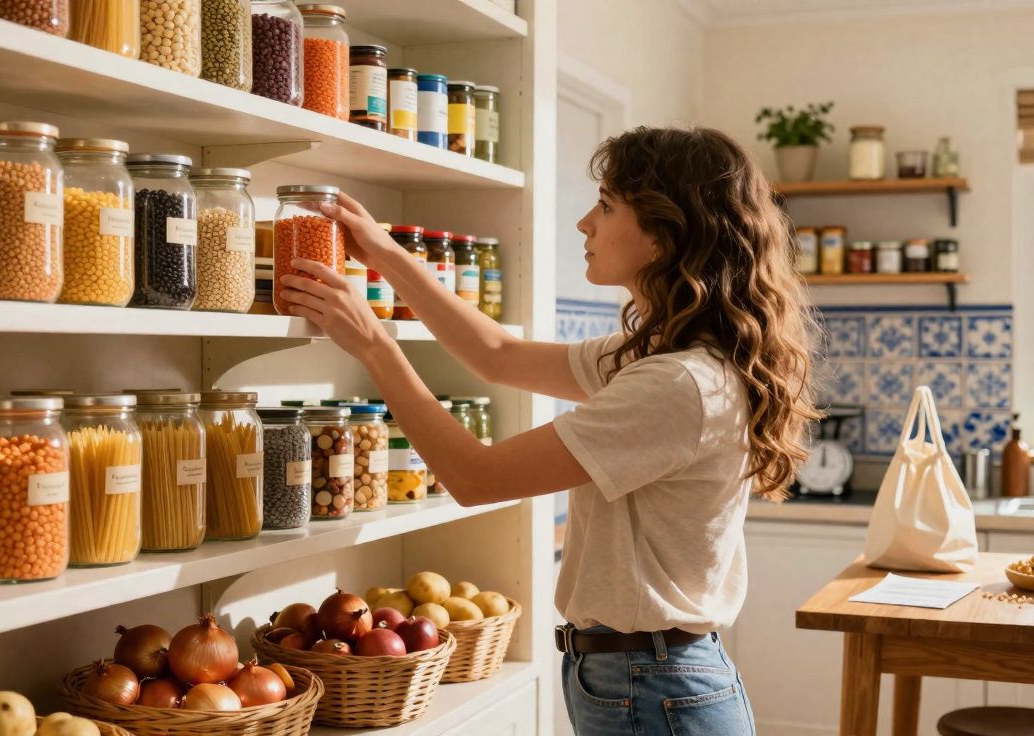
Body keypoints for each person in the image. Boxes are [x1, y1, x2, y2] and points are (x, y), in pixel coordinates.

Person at [277, 126, 820, 735]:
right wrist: (388, 257)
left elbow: (475, 477)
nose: (584, 223)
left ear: (665, 234)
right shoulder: (665, 359)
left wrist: (375, 345)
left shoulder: (678, 384)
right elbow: (498, 354)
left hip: (652, 685)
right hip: (645, 679)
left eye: (607, 206)